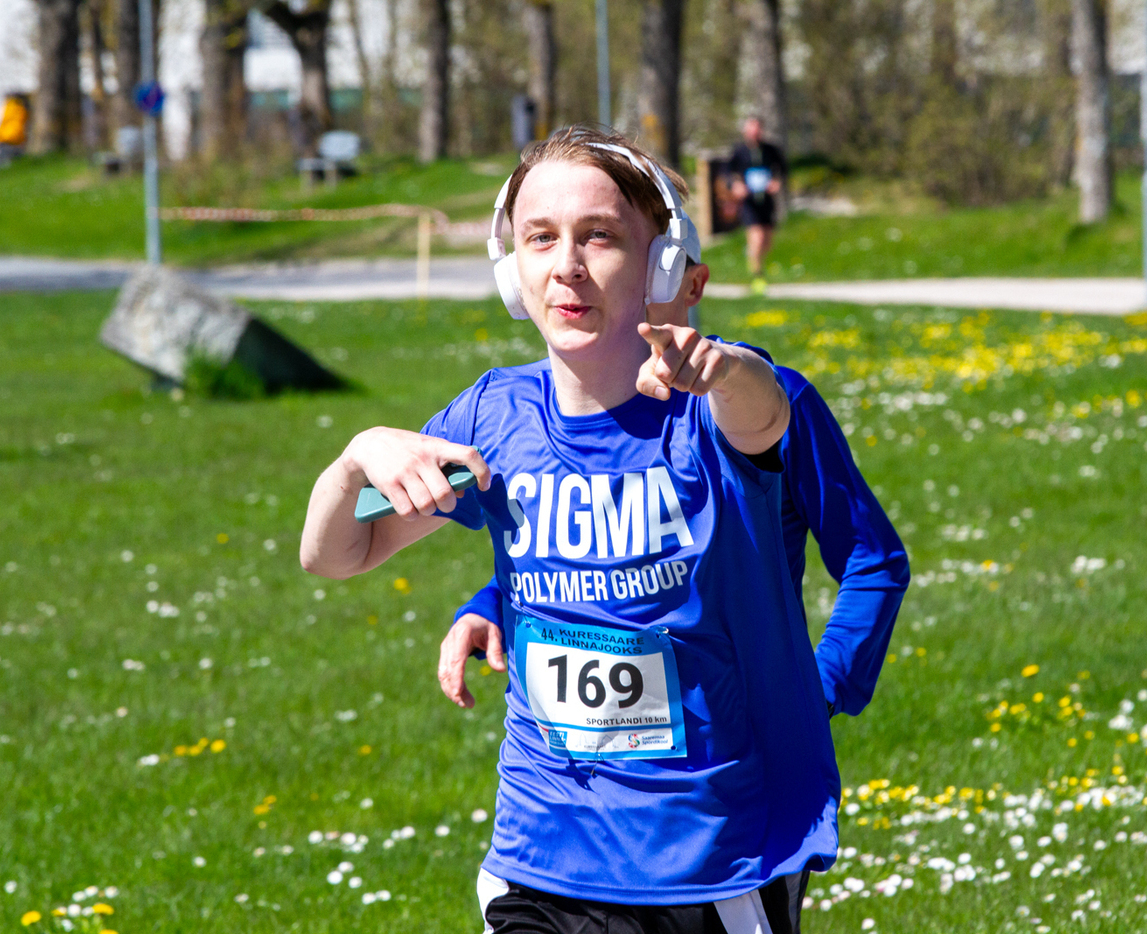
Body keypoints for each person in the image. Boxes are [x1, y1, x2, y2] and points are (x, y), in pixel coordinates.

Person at [301, 126, 850, 933]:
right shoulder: (492, 416)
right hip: (541, 850)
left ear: (662, 264)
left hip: (705, 860)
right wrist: (353, 461)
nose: (567, 265)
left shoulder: (710, 408)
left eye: (599, 236)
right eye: (540, 238)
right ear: (511, 271)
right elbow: (335, 554)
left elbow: (763, 411)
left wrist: (723, 369)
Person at [444, 190, 909, 934]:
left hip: (719, 830)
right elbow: (596, 554)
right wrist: (489, 605)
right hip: (562, 832)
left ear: (682, 280)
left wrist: (817, 689)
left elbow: (874, 561)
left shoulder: (763, 405)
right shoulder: (558, 404)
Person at [728, 117, 787, 295]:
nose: (754, 133)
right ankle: (757, 276)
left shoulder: (770, 150)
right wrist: (735, 185)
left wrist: (776, 182)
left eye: (757, 129)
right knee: (757, 237)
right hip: (749, 202)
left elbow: (783, 168)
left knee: (767, 241)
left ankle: (754, 258)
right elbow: (727, 171)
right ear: (745, 131)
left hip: (766, 201)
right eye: (751, 129)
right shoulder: (739, 151)